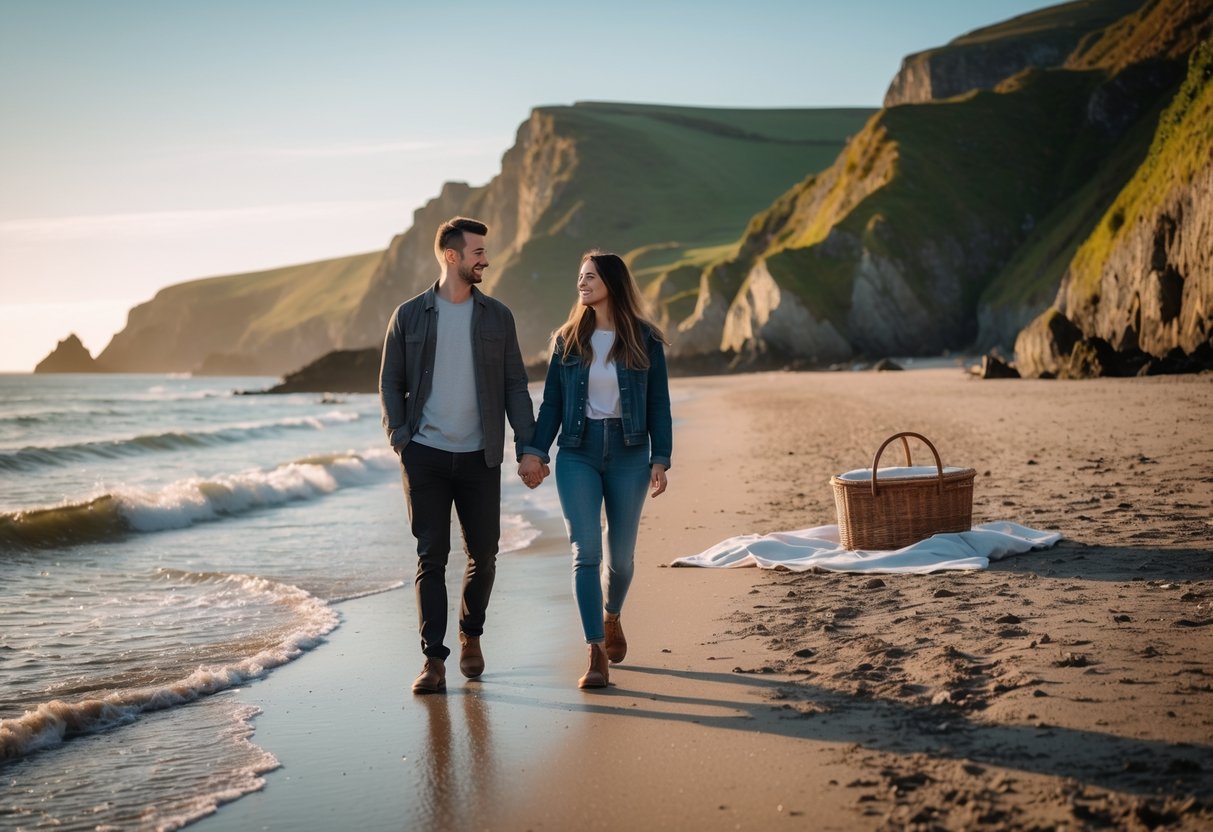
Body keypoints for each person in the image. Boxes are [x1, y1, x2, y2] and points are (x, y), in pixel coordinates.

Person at [380, 216, 547, 695]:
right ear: (451, 255)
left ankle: (471, 633)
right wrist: (402, 440)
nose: (485, 260)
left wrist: (529, 447)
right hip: (425, 456)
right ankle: (433, 661)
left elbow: (515, 385)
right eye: (477, 252)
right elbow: (390, 382)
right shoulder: (409, 315)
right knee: (431, 556)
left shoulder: (497, 316)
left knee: (485, 555)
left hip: (479, 457)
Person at [519, 250, 672, 689]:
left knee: (619, 560)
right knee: (585, 553)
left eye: (590, 277)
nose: (582, 284)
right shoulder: (567, 340)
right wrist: (535, 452)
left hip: (628, 454)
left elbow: (658, 403)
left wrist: (660, 457)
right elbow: (551, 405)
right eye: (579, 277)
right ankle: (595, 651)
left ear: (612, 282)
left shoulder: (645, 339)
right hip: (577, 453)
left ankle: (612, 616)